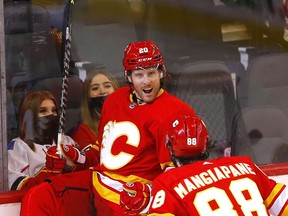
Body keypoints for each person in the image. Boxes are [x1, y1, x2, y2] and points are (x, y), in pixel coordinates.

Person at [20, 40, 197, 216]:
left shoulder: (177, 112)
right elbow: (102, 150)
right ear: (128, 76)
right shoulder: (115, 100)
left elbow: (180, 177)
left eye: (151, 73)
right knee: (40, 196)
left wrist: (151, 194)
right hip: (97, 183)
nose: (146, 82)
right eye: (139, 75)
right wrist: (78, 158)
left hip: (133, 199)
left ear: (162, 73)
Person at [147, 115, 288, 215]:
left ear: (170, 149)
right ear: (206, 144)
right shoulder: (244, 164)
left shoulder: (168, 182)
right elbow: (284, 206)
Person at [8, 90, 86, 191]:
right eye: (43, 111)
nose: (51, 115)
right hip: (37, 203)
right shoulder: (19, 146)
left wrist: (73, 165)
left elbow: (83, 175)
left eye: (54, 110)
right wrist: (48, 173)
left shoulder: (66, 141)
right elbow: (17, 186)